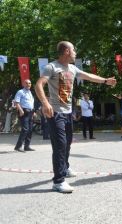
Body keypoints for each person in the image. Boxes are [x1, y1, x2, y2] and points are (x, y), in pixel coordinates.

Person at [35, 41, 116, 193]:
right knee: (60, 145)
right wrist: (45, 104)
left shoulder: (72, 68)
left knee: (68, 143)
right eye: (73, 50)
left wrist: (105, 80)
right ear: (66, 51)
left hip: (68, 113)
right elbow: (39, 85)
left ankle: (64, 167)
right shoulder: (51, 67)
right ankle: (58, 181)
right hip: (55, 113)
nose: (75, 53)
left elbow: (89, 76)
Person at [14, 79, 35, 152]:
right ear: (23, 84)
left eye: (29, 83)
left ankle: (27, 146)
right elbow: (16, 102)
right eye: (26, 83)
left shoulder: (30, 92)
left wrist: (33, 112)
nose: (28, 84)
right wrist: (20, 110)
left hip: (30, 112)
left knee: (30, 130)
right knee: (25, 129)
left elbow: (30, 103)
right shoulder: (20, 92)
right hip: (24, 112)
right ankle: (18, 147)